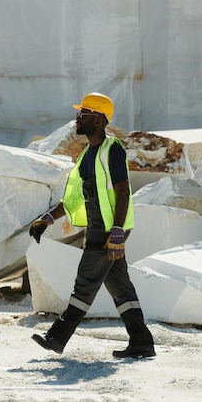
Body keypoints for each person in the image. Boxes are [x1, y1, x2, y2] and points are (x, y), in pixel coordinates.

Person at [29, 92, 155, 359]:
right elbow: (75, 198)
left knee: (85, 282)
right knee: (120, 286)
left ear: (98, 120)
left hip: (110, 230)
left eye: (83, 113)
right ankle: (141, 341)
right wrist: (48, 219)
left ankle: (57, 337)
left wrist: (118, 233)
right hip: (101, 226)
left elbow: (123, 191)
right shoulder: (87, 155)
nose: (77, 118)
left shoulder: (113, 149)